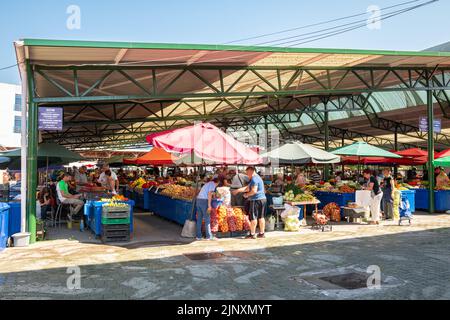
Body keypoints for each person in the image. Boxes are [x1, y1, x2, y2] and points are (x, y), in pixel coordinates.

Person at [233, 167, 267, 239]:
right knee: (261, 217)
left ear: (251, 171)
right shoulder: (257, 178)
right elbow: (247, 188)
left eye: (247, 173)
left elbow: (254, 191)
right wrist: (238, 190)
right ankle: (261, 233)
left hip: (256, 200)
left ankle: (252, 234)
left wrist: (247, 195)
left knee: (253, 217)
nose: (247, 175)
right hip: (263, 199)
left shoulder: (254, 179)